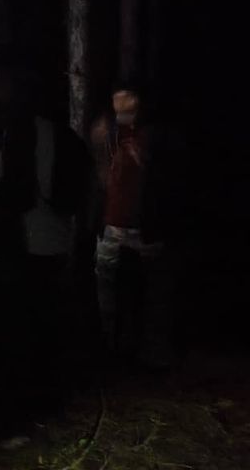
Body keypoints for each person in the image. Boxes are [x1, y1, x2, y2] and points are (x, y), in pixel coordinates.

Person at [0, 48, 91, 432]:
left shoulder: (24, 130)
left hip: (24, 247)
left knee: (19, 330)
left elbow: (14, 190)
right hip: (49, 245)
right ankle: (42, 401)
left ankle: (22, 409)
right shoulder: (59, 131)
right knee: (43, 324)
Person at [90, 83, 178, 369]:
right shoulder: (108, 132)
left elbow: (167, 181)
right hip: (114, 225)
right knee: (108, 293)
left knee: (155, 296)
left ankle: (152, 353)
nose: (123, 111)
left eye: (129, 105)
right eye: (119, 105)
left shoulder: (155, 136)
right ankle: (110, 349)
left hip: (146, 227)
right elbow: (102, 177)